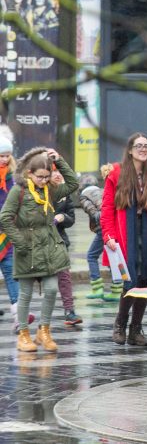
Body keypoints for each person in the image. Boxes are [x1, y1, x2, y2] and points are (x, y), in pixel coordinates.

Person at [1, 147, 79, 352]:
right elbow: (5, 218)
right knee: (25, 294)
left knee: (52, 288)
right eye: (40, 177)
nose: (44, 180)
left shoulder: (50, 189)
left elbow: (73, 184)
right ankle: (24, 334)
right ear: (29, 173)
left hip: (49, 247)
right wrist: (20, 242)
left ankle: (44, 330)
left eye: (47, 176)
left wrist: (59, 160)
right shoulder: (19, 190)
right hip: (27, 248)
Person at [101, 133, 147, 347]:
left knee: (144, 281)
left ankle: (135, 329)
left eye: (146, 146)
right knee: (129, 280)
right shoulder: (117, 175)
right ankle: (120, 325)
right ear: (130, 150)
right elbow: (107, 209)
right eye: (139, 146)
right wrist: (108, 236)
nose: (143, 149)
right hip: (125, 235)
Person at [80, 163, 118, 301]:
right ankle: (116, 288)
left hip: (103, 229)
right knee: (112, 257)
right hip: (113, 227)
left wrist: (100, 216)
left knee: (91, 256)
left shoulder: (84, 196)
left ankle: (97, 288)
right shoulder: (102, 191)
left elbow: (94, 213)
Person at [50, 170, 80, 326]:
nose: (57, 174)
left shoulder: (65, 193)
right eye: (53, 171)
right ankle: (21, 315)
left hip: (60, 240)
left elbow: (71, 219)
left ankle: (70, 311)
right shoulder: (38, 189)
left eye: (59, 171)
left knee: (64, 276)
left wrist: (63, 217)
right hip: (39, 242)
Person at [0, 138, 20, 320]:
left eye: (7, 156)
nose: (4, 160)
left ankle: (18, 312)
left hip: (6, 231)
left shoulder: (13, 177)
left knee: (9, 270)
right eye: (1, 156)